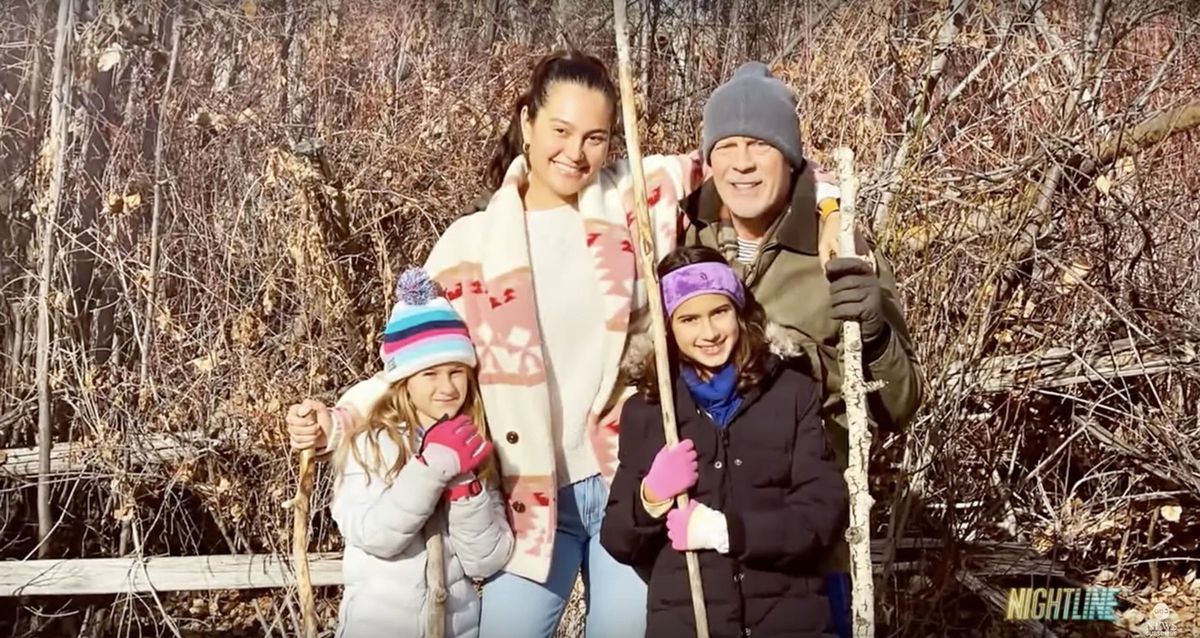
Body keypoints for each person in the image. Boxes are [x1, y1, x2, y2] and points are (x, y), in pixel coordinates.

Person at [285, 51, 844, 638]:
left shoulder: (638, 198)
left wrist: (831, 211)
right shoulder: (471, 245)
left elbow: (754, 162)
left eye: (595, 138)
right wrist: (338, 420)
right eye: (561, 130)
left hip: (628, 482)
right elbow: (415, 361)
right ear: (528, 123)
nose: (576, 153)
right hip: (527, 491)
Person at [682, 61, 925, 637]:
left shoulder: (839, 246)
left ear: (790, 157)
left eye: (760, 145)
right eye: (727, 145)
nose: (742, 162)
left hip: (806, 543)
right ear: (708, 158)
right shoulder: (683, 237)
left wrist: (874, 333)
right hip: (701, 540)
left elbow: (902, 403)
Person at [600, 245, 848, 637]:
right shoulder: (648, 411)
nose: (710, 333)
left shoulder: (790, 393)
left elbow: (823, 513)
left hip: (789, 620)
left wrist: (725, 531)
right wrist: (651, 496)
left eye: (720, 312)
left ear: (739, 312)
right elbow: (618, 539)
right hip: (688, 625)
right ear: (668, 327)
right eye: (689, 319)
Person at [327, 267, 513, 637]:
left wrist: (465, 487)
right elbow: (376, 535)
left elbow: (486, 560)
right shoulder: (370, 443)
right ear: (405, 381)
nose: (447, 387)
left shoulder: (473, 444)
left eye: (456, 372)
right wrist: (431, 469)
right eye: (430, 374)